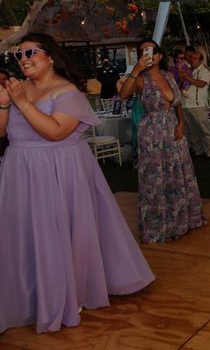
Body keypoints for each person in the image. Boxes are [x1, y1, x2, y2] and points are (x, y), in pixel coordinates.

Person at [0, 33, 154, 334]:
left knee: (59, 232)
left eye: (30, 52)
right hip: (21, 171)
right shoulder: (19, 89)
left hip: (58, 171)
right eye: (19, 55)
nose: (24, 59)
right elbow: (2, 131)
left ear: (51, 57)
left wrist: (21, 102)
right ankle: (31, 292)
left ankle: (66, 292)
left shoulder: (68, 92)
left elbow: (55, 132)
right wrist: (6, 104)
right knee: (25, 233)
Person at [119, 39, 204, 243]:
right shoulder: (140, 79)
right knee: (156, 177)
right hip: (153, 133)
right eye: (144, 51)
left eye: (154, 50)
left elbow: (177, 102)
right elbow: (123, 95)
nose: (150, 54)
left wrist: (181, 123)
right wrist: (136, 69)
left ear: (160, 55)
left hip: (173, 129)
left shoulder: (168, 75)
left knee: (178, 173)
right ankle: (159, 226)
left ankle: (182, 220)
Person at [181, 50, 210, 158]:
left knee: (204, 130)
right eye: (191, 58)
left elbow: (201, 84)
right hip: (185, 105)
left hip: (198, 105)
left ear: (201, 60)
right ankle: (198, 151)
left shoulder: (204, 71)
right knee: (191, 131)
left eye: (195, 58)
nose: (192, 60)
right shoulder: (188, 70)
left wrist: (187, 78)